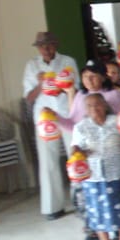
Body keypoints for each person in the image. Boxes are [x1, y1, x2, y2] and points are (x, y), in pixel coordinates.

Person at [70, 92, 120, 240]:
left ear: (105, 105)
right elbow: (75, 151)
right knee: (97, 215)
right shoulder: (81, 127)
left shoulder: (118, 122)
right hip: (93, 178)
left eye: (98, 104)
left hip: (119, 174)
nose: (94, 108)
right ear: (85, 109)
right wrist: (78, 152)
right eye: (90, 106)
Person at [22, 31, 78, 220]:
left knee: (76, 156)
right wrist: (41, 84)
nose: (46, 49)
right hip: (44, 116)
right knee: (48, 161)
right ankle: (52, 207)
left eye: (49, 45)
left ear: (56, 45)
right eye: (42, 46)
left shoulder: (68, 61)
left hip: (67, 112)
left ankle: (81, 202)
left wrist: (60, 84)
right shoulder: (32, 65)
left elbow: (76, 89)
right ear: (38, 48)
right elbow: (29, 98)